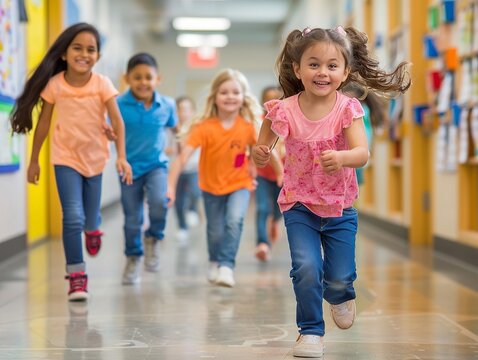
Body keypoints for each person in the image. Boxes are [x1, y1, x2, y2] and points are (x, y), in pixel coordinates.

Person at [252, 26, 410, 358]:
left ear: (345, 72)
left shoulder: (347, 109)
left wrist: (341, 158)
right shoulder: (284, 109)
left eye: (331, 66)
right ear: (297, 69)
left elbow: (362, 154)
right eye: (313, 64)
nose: (322, 72)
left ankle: (340, 295)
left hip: (339, 207)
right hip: (299, 205)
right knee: (306, 267)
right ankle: (310, 332)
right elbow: (262, 146)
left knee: (339, 275)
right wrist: (260, 153)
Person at [9, 23, 132, 301]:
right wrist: (33, 161)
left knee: (88, 217)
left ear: (97, 56)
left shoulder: (102, 84)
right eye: (77, 47)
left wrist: (121, 156)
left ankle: (93, 228)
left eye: (91, 49)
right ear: (64, 53)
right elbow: (43, 124)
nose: (84, 54)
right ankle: (77, 277)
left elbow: (117, 121)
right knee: (72, 216)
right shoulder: (55, 85)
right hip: (65, 158)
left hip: (96, 158)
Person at [167, 68, 262, 288]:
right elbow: (181, 159)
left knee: (234, 220)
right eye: (224, 92)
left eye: (235, 92)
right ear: (215, 97)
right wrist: (170, 186)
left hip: (240, 184)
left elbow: (265, 153)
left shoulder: (248, 127)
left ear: (243, 97)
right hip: (210, 187)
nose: (230, 97)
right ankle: (214, 261)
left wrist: (272, 173)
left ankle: (227, 265)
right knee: (215, 229)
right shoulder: (204, 128)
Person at [116, 53, 178, 285]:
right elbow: (109, 129)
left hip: (156, 166)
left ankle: (153, 238)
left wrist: (184, 150)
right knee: (132, 218)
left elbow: (177, 131)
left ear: (158, 79)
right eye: (137, 77)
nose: (143, 82)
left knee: (159, 204)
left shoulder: (167, 105)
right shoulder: (118, 104)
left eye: (148, 77)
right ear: (127, 78)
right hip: (129, 169)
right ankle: (133, 257)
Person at [254, 85, 284, 261]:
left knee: (279, 209)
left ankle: (274, 222)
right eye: (269, 99)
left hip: (285, 176)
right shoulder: (259, 121)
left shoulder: (288, 119)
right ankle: (262, 243)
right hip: (263, 174)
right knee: (262, 208)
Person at [169, 96, 202, 246]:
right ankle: (182, 227)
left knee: (195, 192)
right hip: (177, 170)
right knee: (178, 200)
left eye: (188, 109)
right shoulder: (172, 129)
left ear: (193, 111)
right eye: (181, 109)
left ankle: (193, 209)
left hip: (193, 168)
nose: (184, 113)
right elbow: (168, 148)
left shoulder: (197, 128)